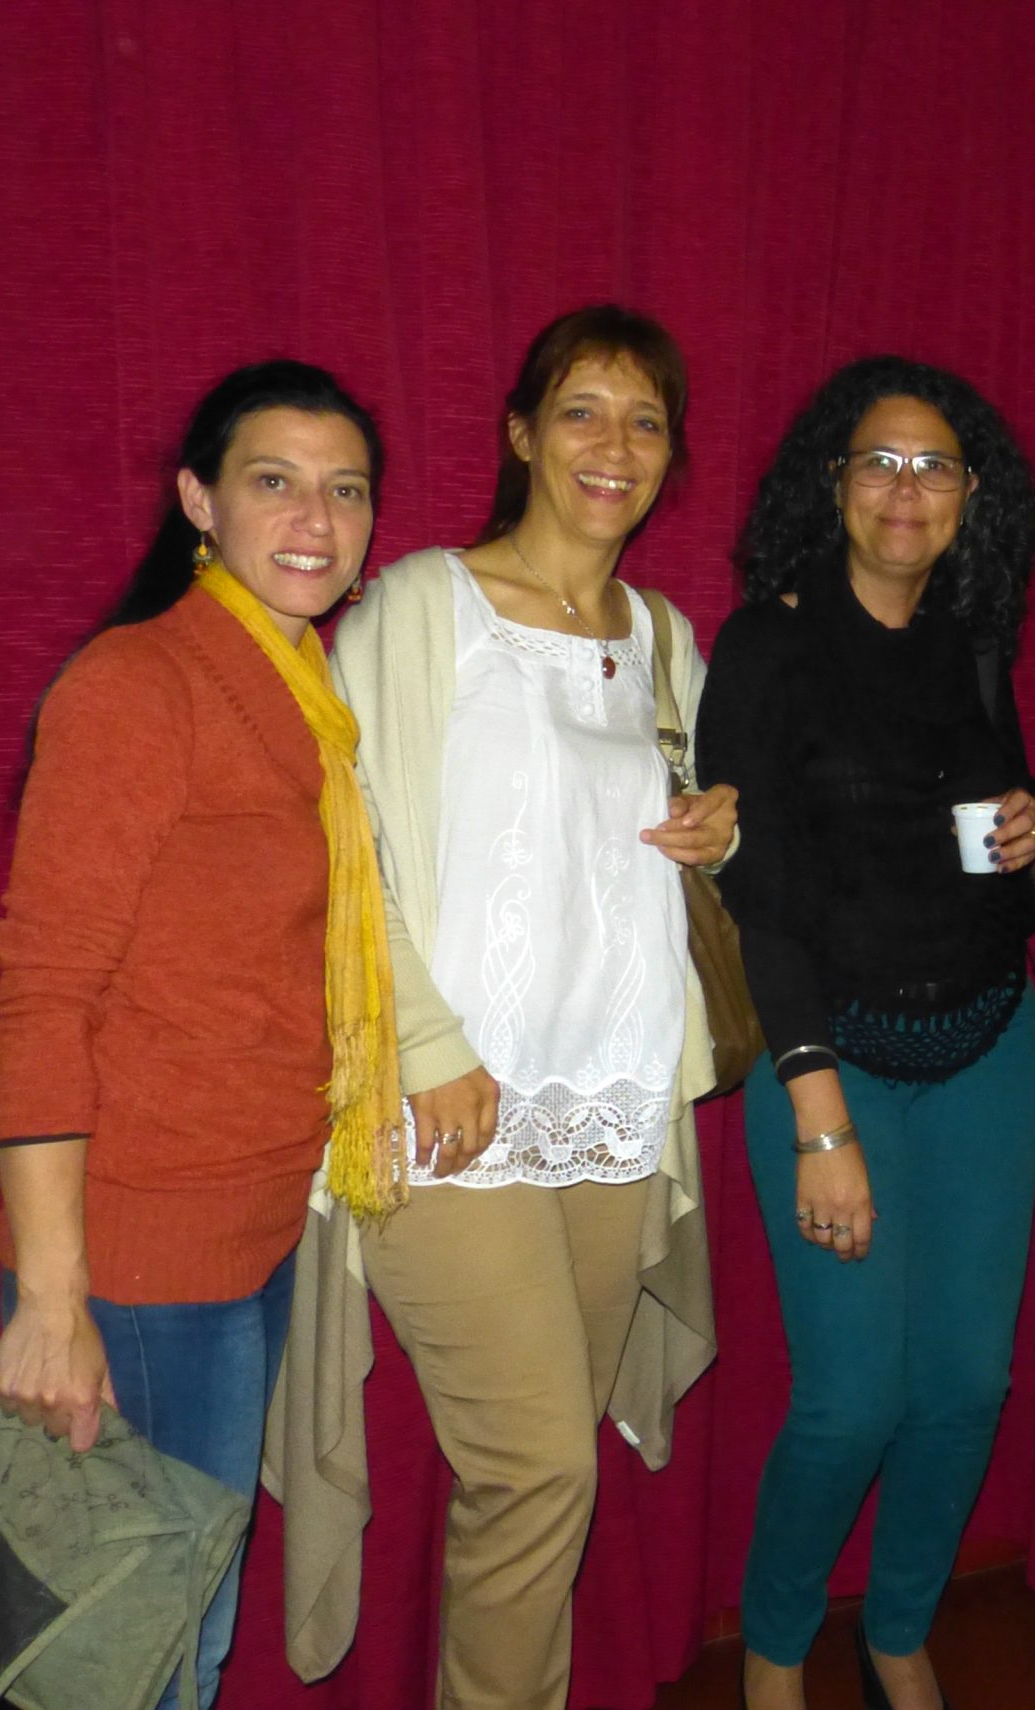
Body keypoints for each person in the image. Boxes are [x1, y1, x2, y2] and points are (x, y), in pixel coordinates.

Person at [328, 304, 733, 1710]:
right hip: (449, 1104)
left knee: (530, 1482)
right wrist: (426, 1046)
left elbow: (684, 840)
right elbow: (346, 845)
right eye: (581, 411)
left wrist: (720, 829)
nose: (614, 446)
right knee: (540, 1466)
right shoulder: (421, 604)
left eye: (645, 420)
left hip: (612, 1103)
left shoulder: (664, 636)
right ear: (521, 433)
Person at [0, 360, 391, 1709]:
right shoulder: (142, 682)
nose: (315, 521)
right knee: (148, 1651)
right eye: (275, 482)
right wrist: (54, 1301)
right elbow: (46, 992)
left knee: (171, 1632)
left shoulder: (306, 692)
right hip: (142, 1249)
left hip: (250, 1222)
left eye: (346, 490)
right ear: (199, 501)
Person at [698, 356, 1035, 1710]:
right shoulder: (767, 646)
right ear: (832, 483)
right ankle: (776, 1650)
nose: (907, 489)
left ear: (971, 495)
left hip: (987, 1050)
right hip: (830, 1059)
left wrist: (1028, 828)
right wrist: (818, 1118)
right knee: (850, 1400)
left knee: (967, 1386)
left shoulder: (975, 639)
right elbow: (759, 900)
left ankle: (898, 1629)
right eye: (879, 462)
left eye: (935, 466)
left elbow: (1013, 870)